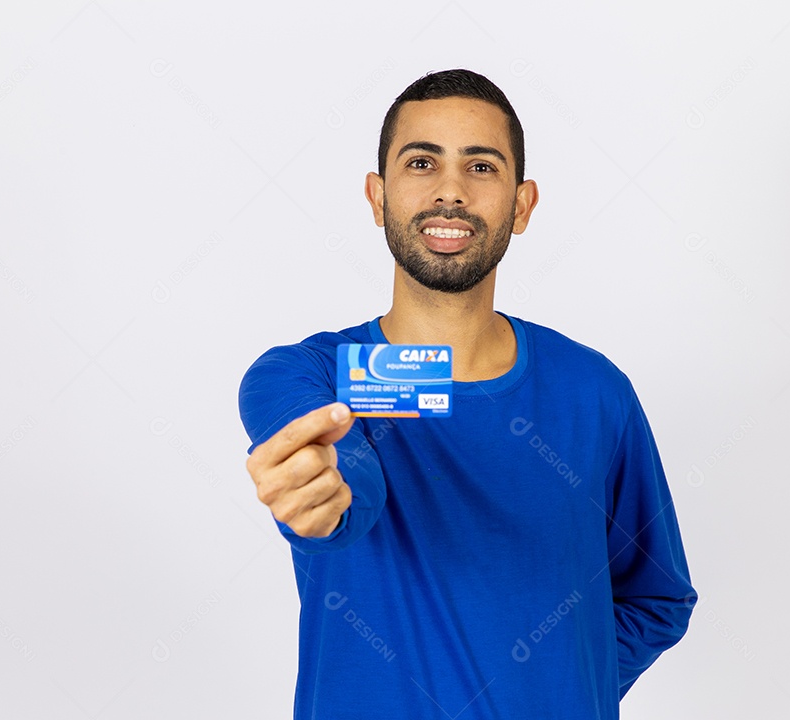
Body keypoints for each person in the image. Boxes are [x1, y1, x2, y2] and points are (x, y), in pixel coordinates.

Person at [239, 68, 696, 719]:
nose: (450, 191)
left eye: (481, 167)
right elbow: (345, 484)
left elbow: (656, 598)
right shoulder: (309, 374)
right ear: (377, 197)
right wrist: (323, 493)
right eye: (422, 162)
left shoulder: (595, 393)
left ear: (521, 203)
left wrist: (561, 685)